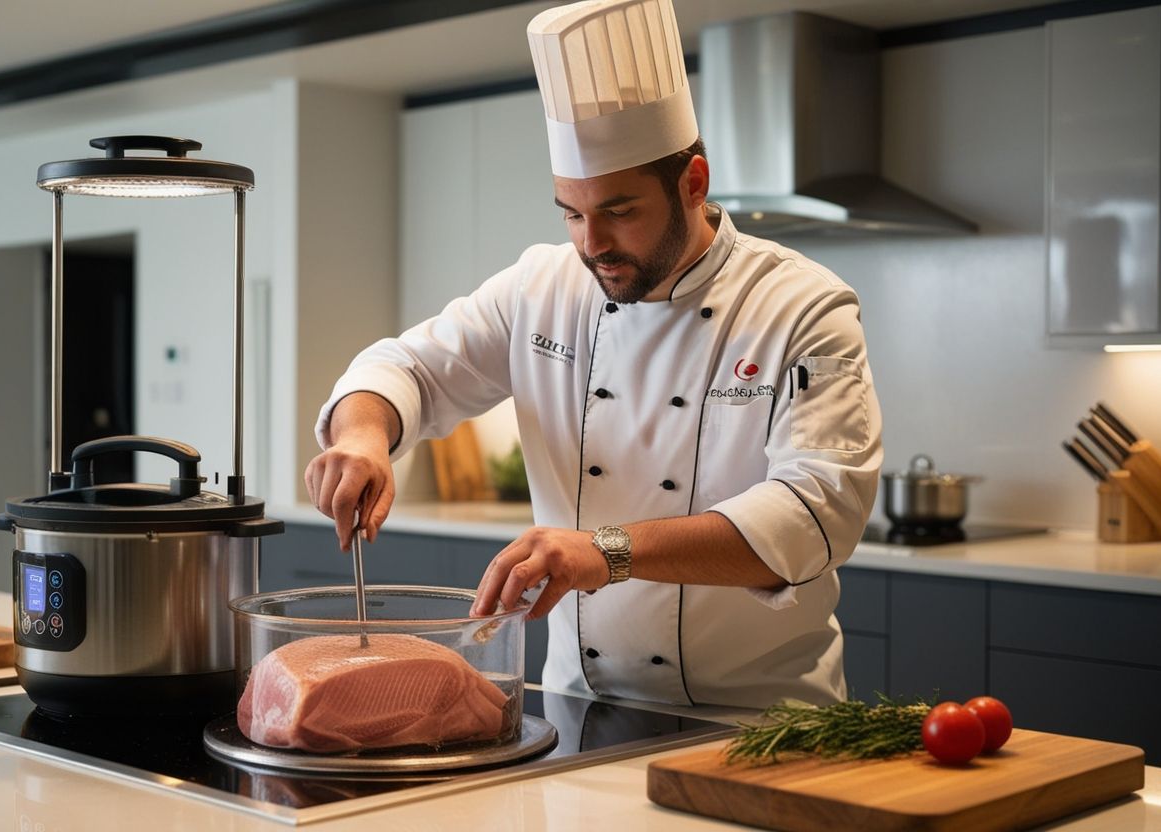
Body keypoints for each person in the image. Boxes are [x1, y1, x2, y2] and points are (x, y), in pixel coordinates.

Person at [304, 0, 882, 710]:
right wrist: (364, 437)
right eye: (571, 213)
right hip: (581, 710)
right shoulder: (540, 289)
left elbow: (817, 512)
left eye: (619, 210)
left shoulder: (802, 306)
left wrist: (606, 551)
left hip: (760, 722)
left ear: (693, 184)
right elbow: (408, 367)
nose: (590, 243)